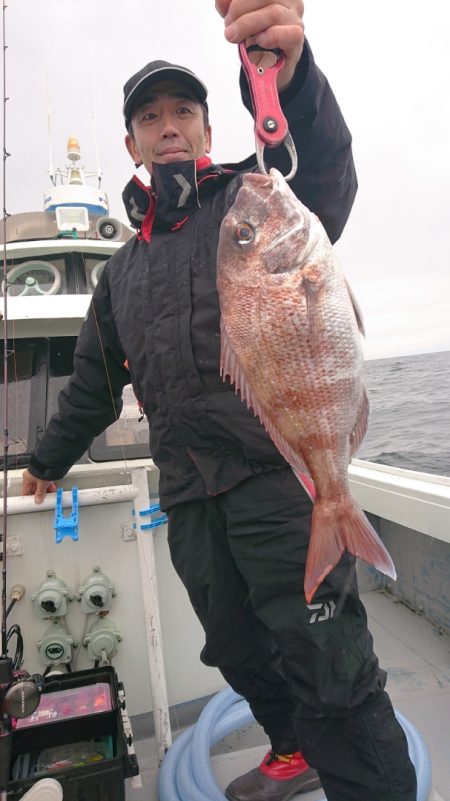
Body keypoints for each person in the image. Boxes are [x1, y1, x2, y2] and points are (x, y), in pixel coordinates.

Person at [23, 1, 417, 799]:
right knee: (235, 652)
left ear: (207, 128)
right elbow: (94, 382)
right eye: (150, 116)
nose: (169, 126)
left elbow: (323, 174)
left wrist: (286, 74)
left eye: (184, 111)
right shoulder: (120, 273)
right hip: (191, 501)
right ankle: (292, 745)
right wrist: (46, 461)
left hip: (276, 483)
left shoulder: (253, 206)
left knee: (330, 666)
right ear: (131, 141)